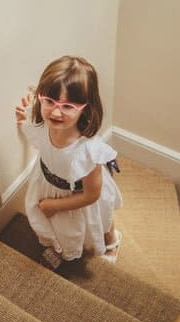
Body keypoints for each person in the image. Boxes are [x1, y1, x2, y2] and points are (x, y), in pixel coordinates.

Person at [14, 56, 123, 269]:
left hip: (79, 196)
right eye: (50, 102)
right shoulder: (42, 123)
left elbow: (92, 195)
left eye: (68, 106)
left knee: (101, 221)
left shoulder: (87, 152)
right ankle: (62, 247)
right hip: (48, 183)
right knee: (61, 228)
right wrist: (29, 112)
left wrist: (55, 205)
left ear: (85, 108)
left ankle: (112, 240)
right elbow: (36, 134)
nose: (55, 112)